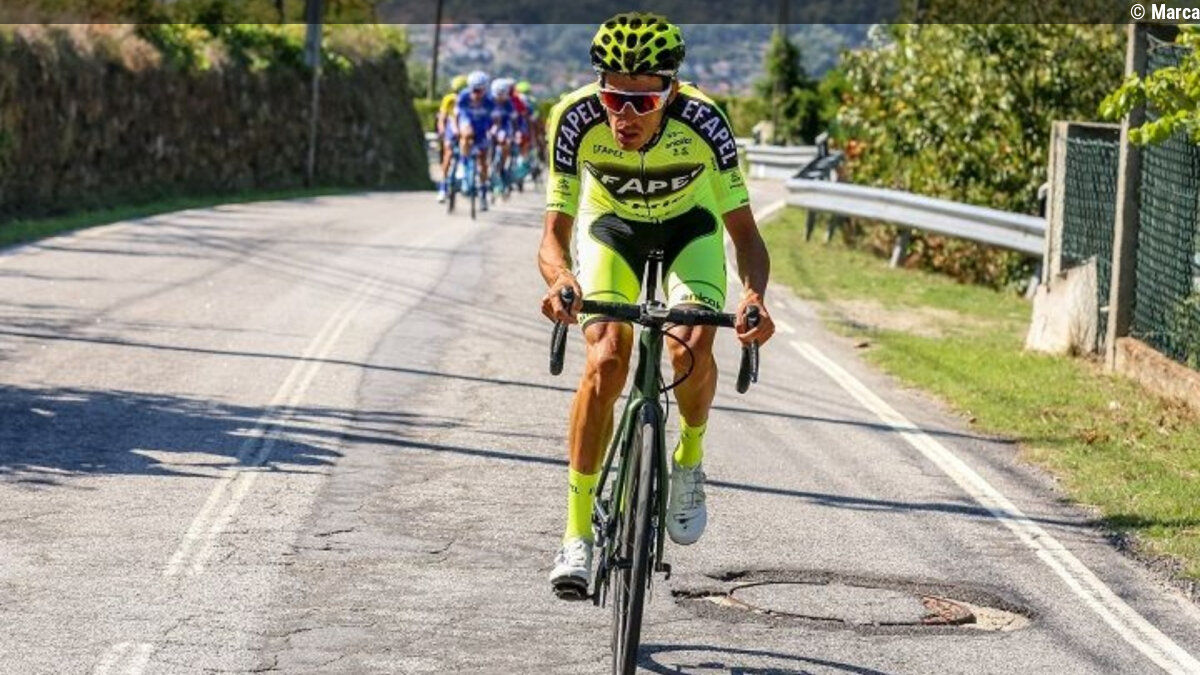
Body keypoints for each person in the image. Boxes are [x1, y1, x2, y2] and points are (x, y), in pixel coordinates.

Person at [538, 12, 776, 598]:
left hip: (689, 231)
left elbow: (745, 235)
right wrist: (561, 278)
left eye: (643, 102)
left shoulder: (705, 122)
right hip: (611, 229)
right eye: (614, 98)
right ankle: (575, 535)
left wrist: (754, 297)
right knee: (606, 357)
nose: (625, 116)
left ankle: (688, 457)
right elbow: (553, 234)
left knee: (688, 346)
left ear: (671, 91)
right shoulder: (573, 118)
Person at [456, 70, 496, 211]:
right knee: (466, 135)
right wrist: (459, 129)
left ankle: (483, 194)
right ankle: (463, 165)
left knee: (483, 163)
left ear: (485, 89)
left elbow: (493, 120)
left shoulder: (490, 101)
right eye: (474, 90)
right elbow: (459, 115)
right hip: (468, 123)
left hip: (482, 128)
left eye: (480, 91)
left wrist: (493, 130)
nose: (477, 94)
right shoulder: (463, 97)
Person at [436, 75, 468, 203]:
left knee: (466, 148)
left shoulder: (468, 99)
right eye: (457, 91)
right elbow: (442, 117)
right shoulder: (449, 99)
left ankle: (464, 173)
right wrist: (442, 131)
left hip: (463, 127)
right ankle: (442, 188)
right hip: (451, 128)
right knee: (448, 154)